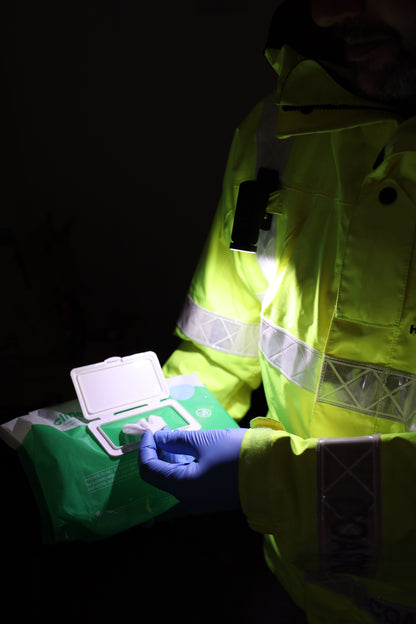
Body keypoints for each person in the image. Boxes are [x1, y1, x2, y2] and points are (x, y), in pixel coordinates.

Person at [139, 1, 416, 622]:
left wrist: (261, 479)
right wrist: (140, 419)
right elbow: (221, 345)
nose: (328, 10)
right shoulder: (281, 130)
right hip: (290, 584)